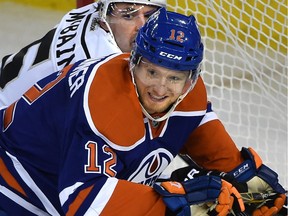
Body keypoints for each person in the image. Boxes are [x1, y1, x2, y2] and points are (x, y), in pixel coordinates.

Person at [0, 8, 286, 216]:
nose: (161, 89)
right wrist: (179, 203)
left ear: (191, 78)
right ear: (133, 61)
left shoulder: (190, 93)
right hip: (14, 191)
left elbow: (203, 136)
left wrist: (244, 176)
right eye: (151, 71)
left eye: (174, 78)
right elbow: (83, 200)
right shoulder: (104, 99)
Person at [0, 0, 166, 109]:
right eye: (128, 16)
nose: (142, 27)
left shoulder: (96, 11)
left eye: (150, 16)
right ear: (104, 19)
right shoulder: (98, 66)